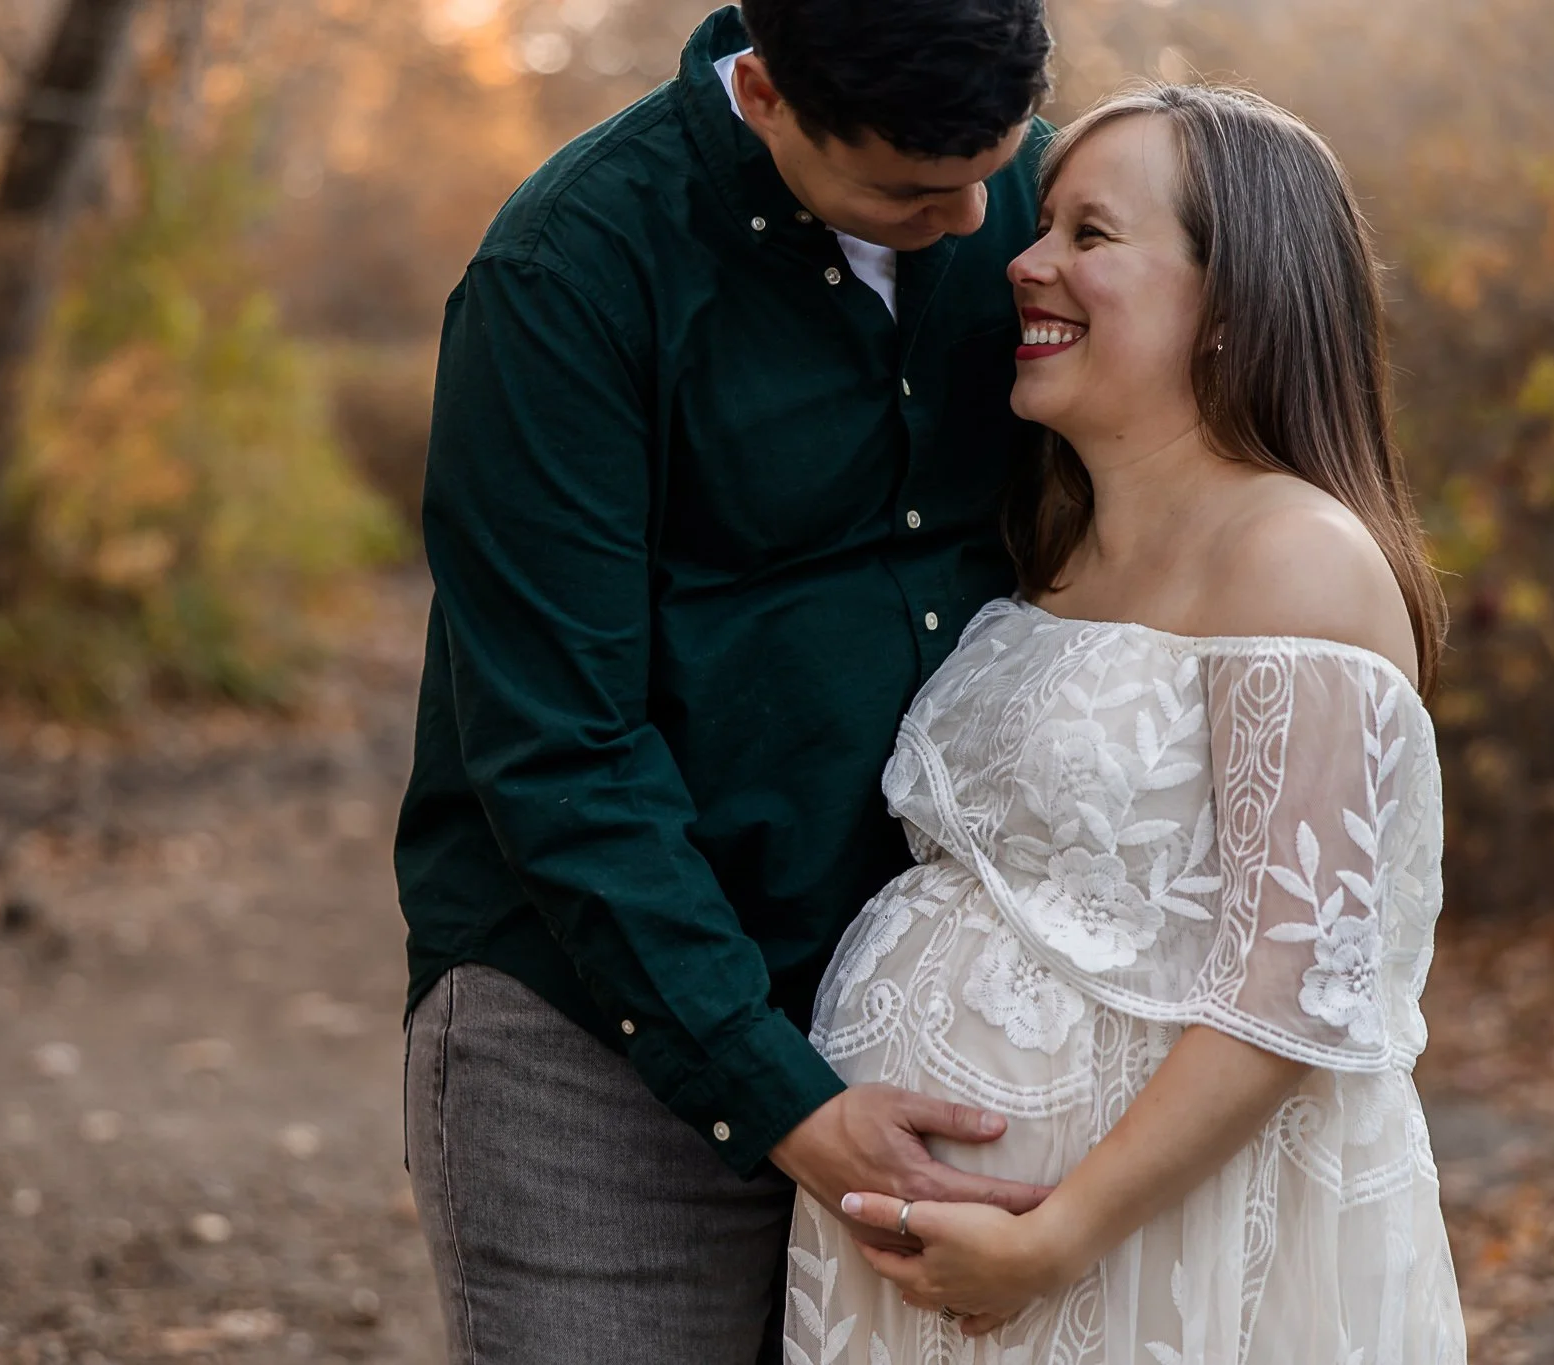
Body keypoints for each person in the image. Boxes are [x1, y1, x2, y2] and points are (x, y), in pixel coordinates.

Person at [394, 2, 1057, 1360]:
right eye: (910, 192)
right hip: (597, 1029)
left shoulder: (1035, 196)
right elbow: (560, 746)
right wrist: (781, 1099)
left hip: (922, 1018)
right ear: (760, 92)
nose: (976, 220)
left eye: (998, 163)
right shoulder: (566, 274)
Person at [782, 84, 1469, 1363]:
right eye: (1042, 229)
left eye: (1087, 236)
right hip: (943, 1266)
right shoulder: (1050, 547)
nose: (1025, 264)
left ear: (1231, 302)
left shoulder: (1292, 559)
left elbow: (1295, 981)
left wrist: (1059, 1234)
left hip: (1141, 1258)